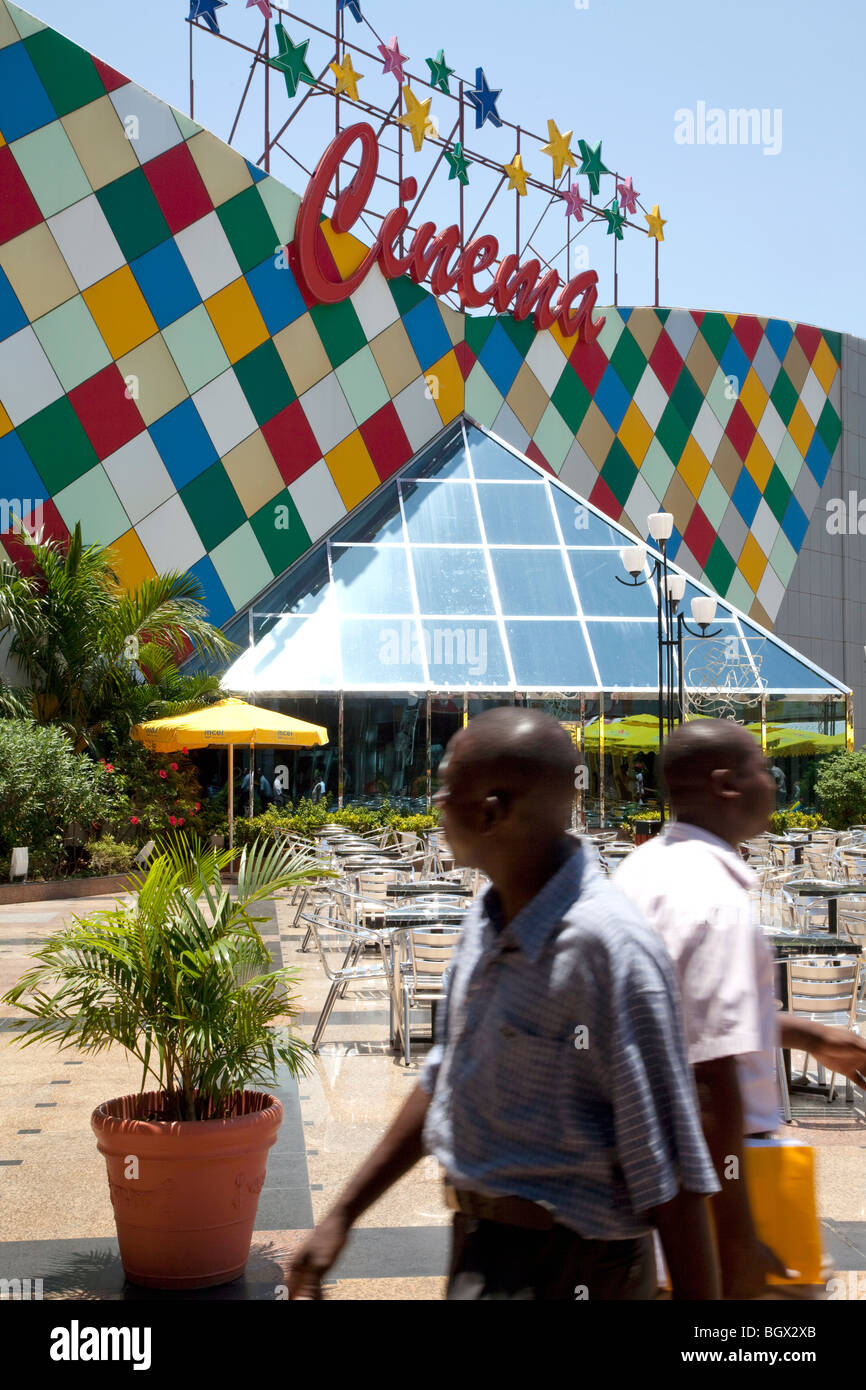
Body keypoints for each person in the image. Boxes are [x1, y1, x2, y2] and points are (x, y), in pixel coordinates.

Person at [287, 708, 722, 1301]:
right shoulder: (485, 919)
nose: (435, 807)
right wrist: (342, 1214)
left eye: (445, 792)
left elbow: (670, 1171)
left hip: (575, 1268)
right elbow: (445, 1077)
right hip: (483, 1252)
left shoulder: (607, 951)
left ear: (489, 811)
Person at [614, 720, 866, 1299]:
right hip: (727, 1193)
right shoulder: (712, 897)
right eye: (760, 768)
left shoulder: (640, 870)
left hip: (651, 1193)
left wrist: (809, 1037)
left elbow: (680, 1018)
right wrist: (737, 1242)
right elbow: (708, 1079)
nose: (772, 781)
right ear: (727, 784)